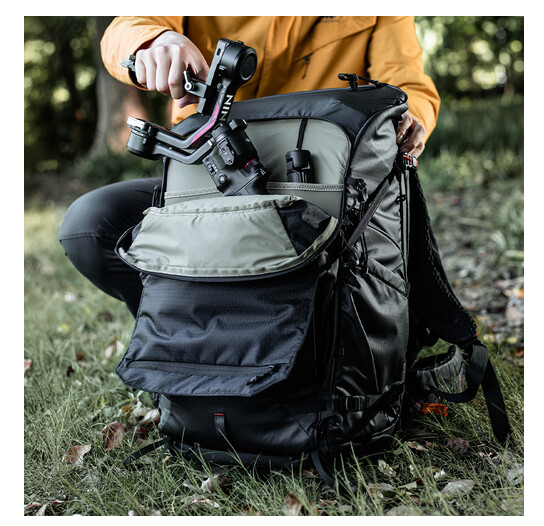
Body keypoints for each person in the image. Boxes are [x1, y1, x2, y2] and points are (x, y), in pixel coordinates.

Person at [59, 16, 440, 316]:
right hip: (210, 178)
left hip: (330, 189)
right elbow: (127, 28)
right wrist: (155, 42)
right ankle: (188, 332)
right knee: (91, 225)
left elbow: (408, 83)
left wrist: (410, 118)